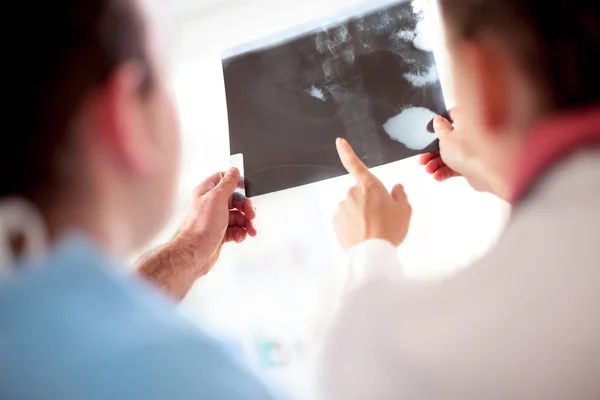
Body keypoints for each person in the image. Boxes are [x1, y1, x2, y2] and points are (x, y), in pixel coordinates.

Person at [316, 0, 600, 399]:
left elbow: (365, 374)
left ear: (487, 77)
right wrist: (505, 170)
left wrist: (371, 248)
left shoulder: (439, 347)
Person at [0, 0, 280, 398]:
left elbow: (82, 327)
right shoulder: (188, 379)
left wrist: (189, 250)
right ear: (125, 113)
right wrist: (372, 253)